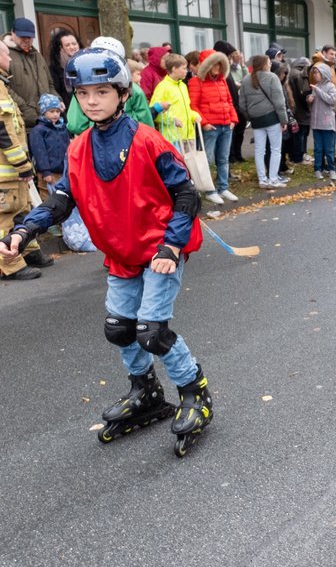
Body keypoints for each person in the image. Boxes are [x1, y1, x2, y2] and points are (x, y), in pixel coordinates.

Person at [0, 48, 213, 455]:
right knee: (120, 328)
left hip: (157, 250)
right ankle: (145, 390)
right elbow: (61, 200)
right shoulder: (78, 148)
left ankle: (194, 391)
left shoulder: (148, 140)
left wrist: (171, 244)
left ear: (121, 92)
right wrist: (23, 231)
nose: (92, 100)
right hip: (120, 252)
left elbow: (186, 195)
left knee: (152, 330)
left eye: (102, 91)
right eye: (83, 94)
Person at [0, 41, 52, 280]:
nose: (10, 60)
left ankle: (27, 250)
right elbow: (3, 131)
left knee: (23, 209)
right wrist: (22, 164)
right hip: (6, 168)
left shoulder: (3, 85)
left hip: (11, 169)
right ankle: (8, 264)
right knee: (5, 216)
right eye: (5, 55)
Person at [67, 36, 155, 135]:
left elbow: (76, 125)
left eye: (102, 92)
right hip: (130, 137)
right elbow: (147, 124)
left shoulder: (83, 88)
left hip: (93, 142)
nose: (91, 101)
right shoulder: (134, 89)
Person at [188, 49, 239, 205]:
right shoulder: (195, 82)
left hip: (225, 125)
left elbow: (229, 101)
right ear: (207, 65)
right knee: (208, 160)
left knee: (223, 159)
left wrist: (233, 119)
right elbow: (193, 105)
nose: (217, 67)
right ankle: (210, 191)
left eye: (219, 64)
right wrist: (205, 123)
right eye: (214, 64)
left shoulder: (222, 80)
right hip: (211, 127)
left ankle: (223, 188)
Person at [239, 55, 288, 189]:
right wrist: (284, 120)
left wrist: (250, 117)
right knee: (275, 149)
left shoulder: (245, 79)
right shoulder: (272, 78)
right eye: (269, 63)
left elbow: (242, 104)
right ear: (264, 65)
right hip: (272, 118)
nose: (271, 65)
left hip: (256, 120)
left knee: (259, 151)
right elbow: (279, 102)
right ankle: (273, 179)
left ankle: (262, 179)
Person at [7, 18, 57, 130]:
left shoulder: (38, 56)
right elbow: (4, 88)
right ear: (12, 33)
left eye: (29, 37)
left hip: (46, 122)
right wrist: (25, 109)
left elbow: (50, 84)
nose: (26, 40)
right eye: (22, 37)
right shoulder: (5, 55)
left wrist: (57, 101)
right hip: (22, 124)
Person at [150, 54, 201, 155]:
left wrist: (195, 116)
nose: (187, 71)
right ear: (174, 69)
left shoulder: (183, 86)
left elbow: (186, 109)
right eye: (183, 68)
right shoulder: (162, 87)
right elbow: (154, 111)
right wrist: (172, 120)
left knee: (190, 169)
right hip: (173, 137)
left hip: (188, 135)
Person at [28, 94, 70, 203]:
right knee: (48, 199)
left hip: (63, 171)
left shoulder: (62, 128)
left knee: (63, 199)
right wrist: (46, 172)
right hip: (48, 172)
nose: (56, 114)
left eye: (57, 111)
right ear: (43, 111)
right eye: (51, 111)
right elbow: (39, 153)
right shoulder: (38, 130)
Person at [308, 61, 336, 180]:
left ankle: (331, 169)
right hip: (316, 123)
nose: (315, 75)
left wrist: (318, 91)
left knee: (329, 148)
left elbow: (331, 100)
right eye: (314, 73)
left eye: (317, 72)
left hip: (327, 123)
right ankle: (317, 169)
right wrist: (310, 98)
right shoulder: (316, 86)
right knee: (318, 148)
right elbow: (314, 101)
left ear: (324, 73)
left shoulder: (330, 86)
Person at [48, 29, 81, 114]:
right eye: (67, 45)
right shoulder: (54, 69)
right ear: (60, 48)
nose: (72, 47)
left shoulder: (85, 63)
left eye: (74, 44)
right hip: (68, 112)